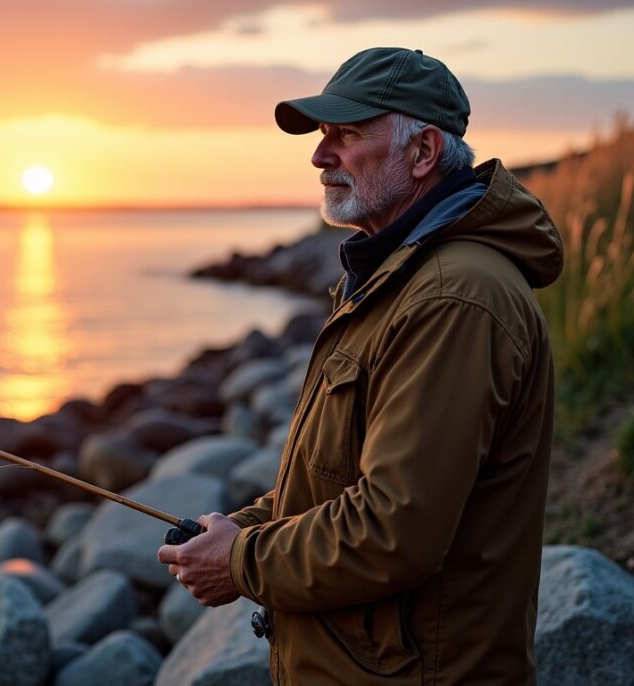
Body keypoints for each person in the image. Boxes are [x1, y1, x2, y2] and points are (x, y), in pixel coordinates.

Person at [158, 46, 563, 684]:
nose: (320, 157)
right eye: (323, 136)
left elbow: (394, 528)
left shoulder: (452, 299)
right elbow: (344, 480)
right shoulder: (396, 279)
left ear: (424, 152)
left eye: (346, 135)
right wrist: (242, 528)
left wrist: (241, 562)